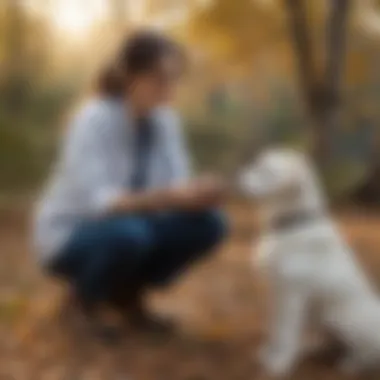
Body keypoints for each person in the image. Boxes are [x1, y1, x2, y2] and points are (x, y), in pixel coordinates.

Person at [33, 31, 228, 338]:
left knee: (209, 224)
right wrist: (170, 197)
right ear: (129, 76)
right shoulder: (93, 119)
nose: (168, 90)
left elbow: (175, 187)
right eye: (160, 79)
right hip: (72, 235)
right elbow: (98, 203)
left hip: (134, 228)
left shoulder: (166, 122)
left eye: (174, 80)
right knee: (129, 233)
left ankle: (127, 296)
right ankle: (80, 303)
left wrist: (197, 194)